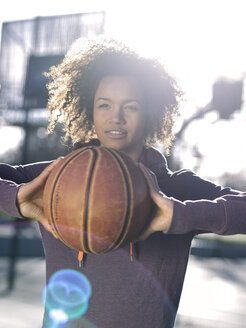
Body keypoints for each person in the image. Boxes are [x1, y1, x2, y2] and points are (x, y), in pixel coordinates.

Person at [0, 36, 246, 328]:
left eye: (130, 106)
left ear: (151, 113)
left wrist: (180, 215)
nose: (115, 118)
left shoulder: (176, 189)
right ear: (90, 109)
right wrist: (16, 198)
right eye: (104, 105)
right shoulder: (56, 179)